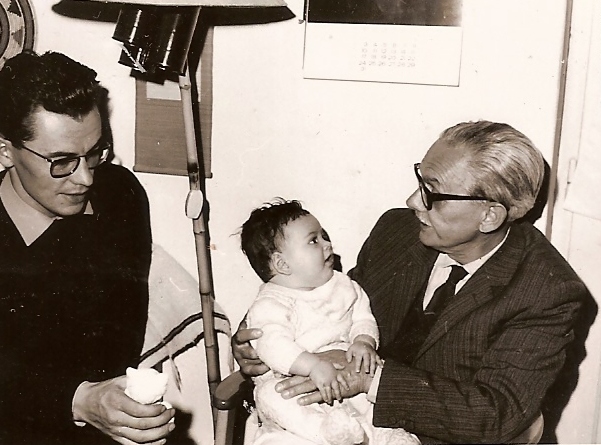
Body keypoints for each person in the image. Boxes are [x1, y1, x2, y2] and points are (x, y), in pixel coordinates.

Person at [233, 120, 587, 444]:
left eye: (432, 192)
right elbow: (330, 301)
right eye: (420, 182)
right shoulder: (397, 230)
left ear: (489, 215)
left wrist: (370, 379)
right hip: (339, 421)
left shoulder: (547, 291)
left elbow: (496, 413)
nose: (413, 201)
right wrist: (256, 342)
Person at [0, 50, 175, 444]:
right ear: (5, 151)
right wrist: (77, 401)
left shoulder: (121, 196)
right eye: (62, 160)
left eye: (95, 153)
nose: (86, 179)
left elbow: (120, 344)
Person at [240, 199, 418, 445]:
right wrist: (312, 366)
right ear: (282, 264)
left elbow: (362, 315)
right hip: (294, 379)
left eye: (324, 237)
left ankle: (383, 435)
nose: (328, 245)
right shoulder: (269, 303)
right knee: (271, 395)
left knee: (374, 376)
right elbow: (272, 344)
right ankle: (323, 432)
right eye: (314, 240)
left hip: (348, 372)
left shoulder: (343, 285)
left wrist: (364, 341)